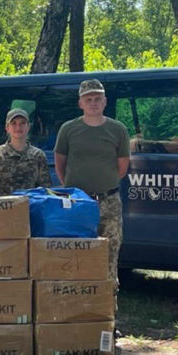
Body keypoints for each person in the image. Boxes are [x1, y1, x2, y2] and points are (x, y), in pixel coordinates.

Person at [54, 79, 130, 295]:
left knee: (109, 258)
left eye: (97, 99)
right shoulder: (69, 129)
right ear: (81, 103)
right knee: (76, 257)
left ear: (105, 102)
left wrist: (103, 184)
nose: (93, 103)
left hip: (109, 203)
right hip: (78, 203)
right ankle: (78, 314)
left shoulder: (118, 129)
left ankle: (107, 318)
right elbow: (61, 164)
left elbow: (122, 167)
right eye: (88, 99)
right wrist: (75, 190)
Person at [0, 108, 52, 196]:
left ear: (28, 127)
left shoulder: (38, 155)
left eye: (22, 123)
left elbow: (45, 190)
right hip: (4, 207)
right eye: (13, 123)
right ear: (7, 128)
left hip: (31, 207)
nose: (18, 127)